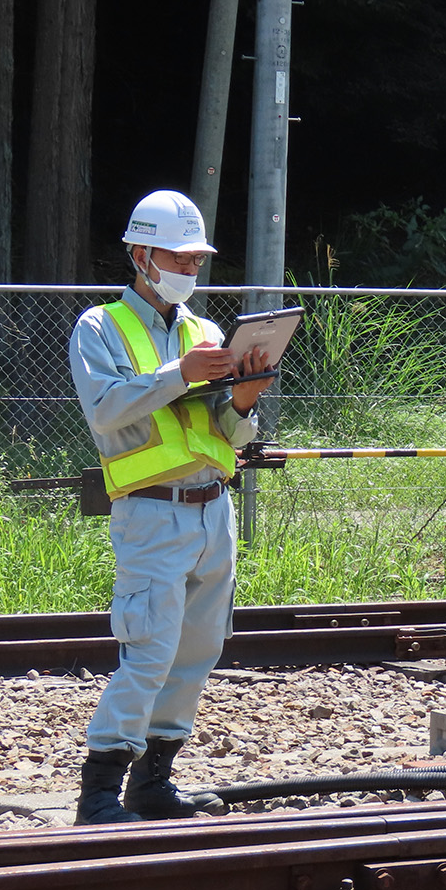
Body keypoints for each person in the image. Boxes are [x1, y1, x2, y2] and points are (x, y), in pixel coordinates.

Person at [67, 189, 275, 824]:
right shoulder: (99, 327)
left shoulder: (208, 332)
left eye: (195, 258)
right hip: (152, 513)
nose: (189, 268)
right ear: (140, 253)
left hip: (215, 510)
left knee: (197, 650)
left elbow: (232, 434)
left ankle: (153, 783)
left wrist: (245, 402)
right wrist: (181, 374)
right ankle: (99, 792)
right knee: (150, 650)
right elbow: (103, 409)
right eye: (177, 257)